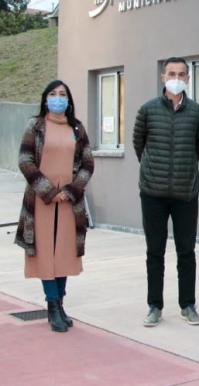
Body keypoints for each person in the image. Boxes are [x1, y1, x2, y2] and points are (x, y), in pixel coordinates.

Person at [133, 57, 199, 327]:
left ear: (188, 78)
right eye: (171, 73)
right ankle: (154, 306)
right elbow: (138, 144)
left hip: (186, 193)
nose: (176, 77)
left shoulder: (197, 112)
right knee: (155, 252)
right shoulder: (148, 110)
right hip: (153, 193)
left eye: (181, 73)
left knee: (186, 252)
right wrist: (155, 171)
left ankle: (188, 305)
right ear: (163, 77)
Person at [15, 80, 94, 333]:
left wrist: (71, 191)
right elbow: (25, 160)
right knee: (45, 252)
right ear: (45, 98)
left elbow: (87, 163)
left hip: (70, 201)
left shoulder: (77, 128)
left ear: (69, 101)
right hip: (41, 199)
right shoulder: (35, 126)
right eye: (53, 94)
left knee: (64, 252)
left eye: (62, 94)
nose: (58, 98)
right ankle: (52, 305)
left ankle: (60, 302)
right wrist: (49, 190)